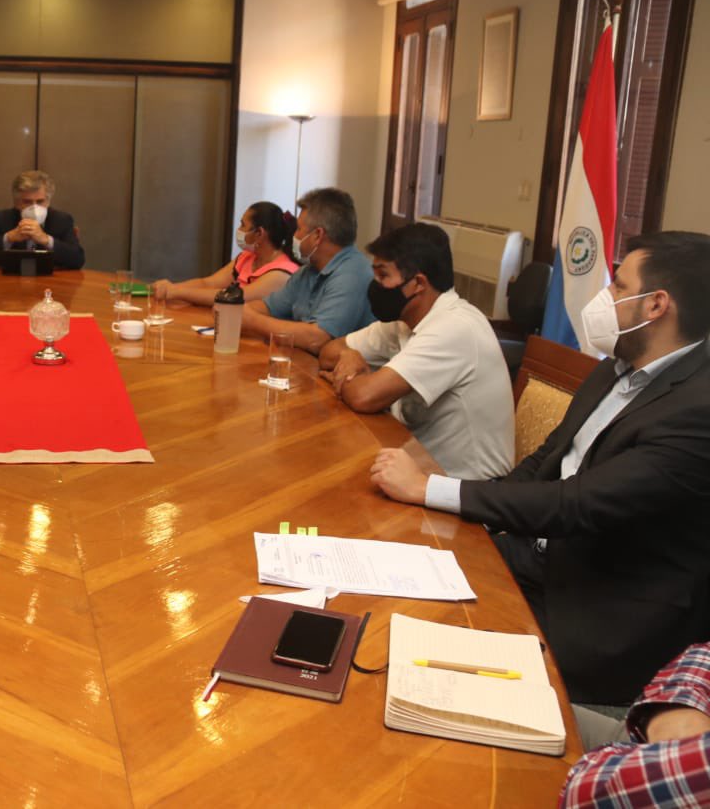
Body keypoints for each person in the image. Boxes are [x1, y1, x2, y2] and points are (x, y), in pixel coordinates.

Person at [370, 232, 710, 712]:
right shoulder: (618, 367)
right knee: (394, 592)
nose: (604, 298)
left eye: (617, 286)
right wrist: (473, 516)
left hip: (596, 605)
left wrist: (432, 488)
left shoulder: (698, 410)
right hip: (536, 554)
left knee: (436, 681)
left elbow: (579, 502)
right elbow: (544, 464)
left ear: (655, 305)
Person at [318, 222, 513, 480]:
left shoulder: (454, 328)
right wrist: (349, 356)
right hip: (416, 468)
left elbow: (364, 397)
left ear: (418, 283)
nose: (374, 285)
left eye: (383, 275)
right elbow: (329, 352)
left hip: (468, 494)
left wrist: (351, 379)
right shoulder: (405, 321)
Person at [560, 642, 710, 807]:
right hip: (644, 745)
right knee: (532, 705)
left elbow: (586, 795)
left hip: (599, 781)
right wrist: (681, 716)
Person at [240, 187, 373, 355]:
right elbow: (268, 307)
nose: (293, 235)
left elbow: (316, 338)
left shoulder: (354, 274)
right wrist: (239, 312)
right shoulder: (308, 271)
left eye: (298, 229)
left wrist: (251, 320)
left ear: (317, 235)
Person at [152, 202, 298, 306]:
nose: (239, 229)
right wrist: (170, 288)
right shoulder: (246, 257)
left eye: (243, 225)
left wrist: (175, 292)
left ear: (259, 233)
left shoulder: (281, 273)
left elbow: (231, 297)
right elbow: (208, 283)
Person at [0, 170, 85, 270]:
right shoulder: (1, 219)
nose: (34, 208)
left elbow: (78, 260)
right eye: (27, 202)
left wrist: (47, 240)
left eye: (40, 201)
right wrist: (9, 238)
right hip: (11, 282)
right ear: (16, 202)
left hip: (51, 283)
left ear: (48, 201)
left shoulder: (62, 220)